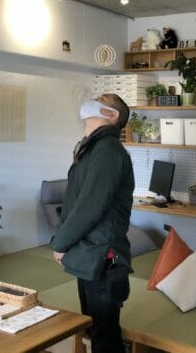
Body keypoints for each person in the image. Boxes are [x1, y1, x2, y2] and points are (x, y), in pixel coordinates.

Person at [51, 93, 134, 353]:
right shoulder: (93, 147)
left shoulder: (108, 150)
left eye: (101, 99)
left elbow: (91, 206)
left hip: (102, 255)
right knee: (93, 326)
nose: (92, 100)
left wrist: (61, 243)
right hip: (89, 251)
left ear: (112, 115)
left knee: (104, 334)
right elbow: (77, 202)